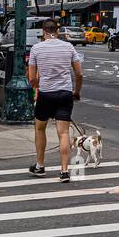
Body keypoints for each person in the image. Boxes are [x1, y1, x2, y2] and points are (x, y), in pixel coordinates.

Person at [27, 17, 83, 182]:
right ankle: (64, 171)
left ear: (44, 32)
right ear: (57, 31)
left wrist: (37, 87)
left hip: (46, 94)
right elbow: (79, 74)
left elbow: (31, 78)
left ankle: (40, 165)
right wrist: (76, 92)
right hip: (65, 93)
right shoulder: (69, 47)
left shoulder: (36, 49)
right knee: (63, 132)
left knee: (40, 128)